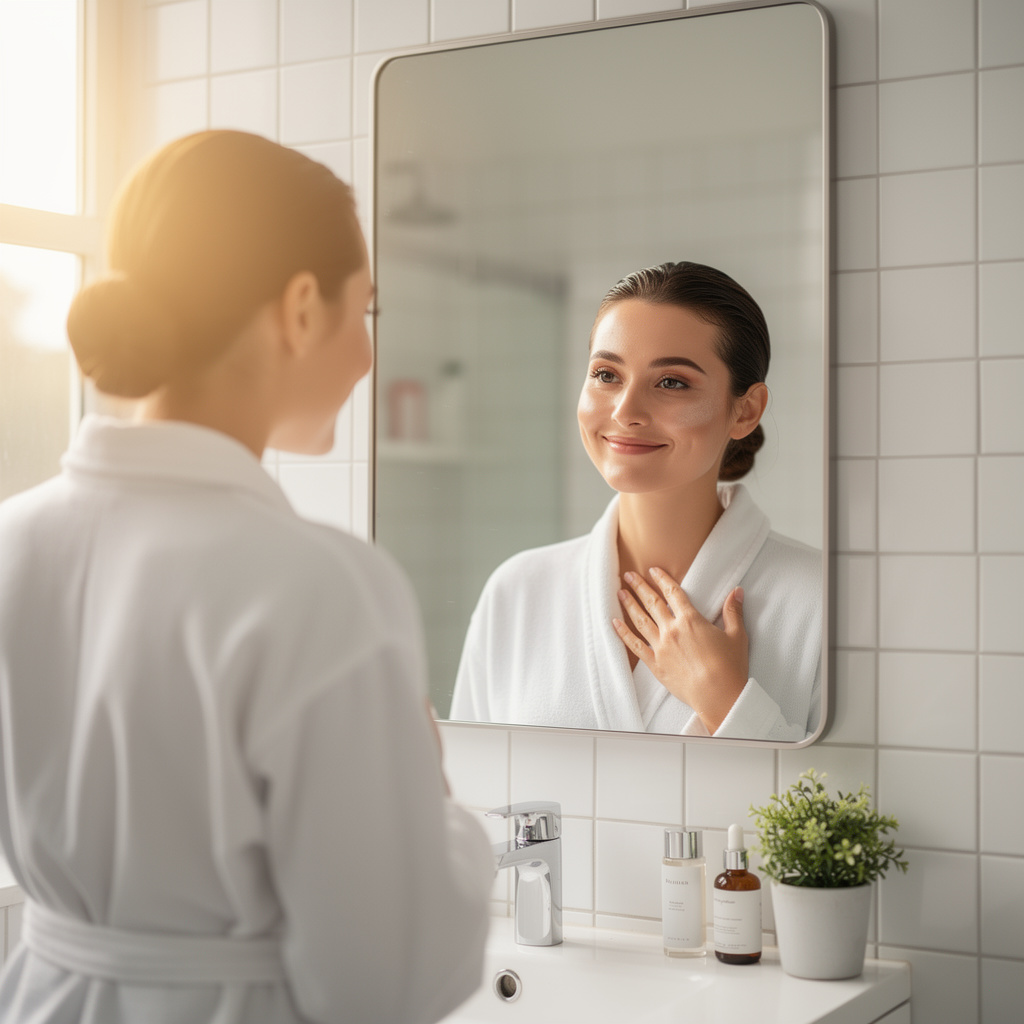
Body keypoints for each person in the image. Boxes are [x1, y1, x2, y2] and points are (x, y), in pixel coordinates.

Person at [0, 130, 494, 1024]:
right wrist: (441, 811)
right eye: (366, 311)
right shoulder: (322, 586)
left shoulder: (10, 542)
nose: (367, 354)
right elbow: (388, 981)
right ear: (301, 309)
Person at [450, 261, 821, 741]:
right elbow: (465, 792)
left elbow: (861, 808)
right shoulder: (518, 592)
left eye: (671, 382)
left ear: (745, 410)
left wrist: (726, 701)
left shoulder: (818, 599)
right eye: (606, 374)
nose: (626, 412)